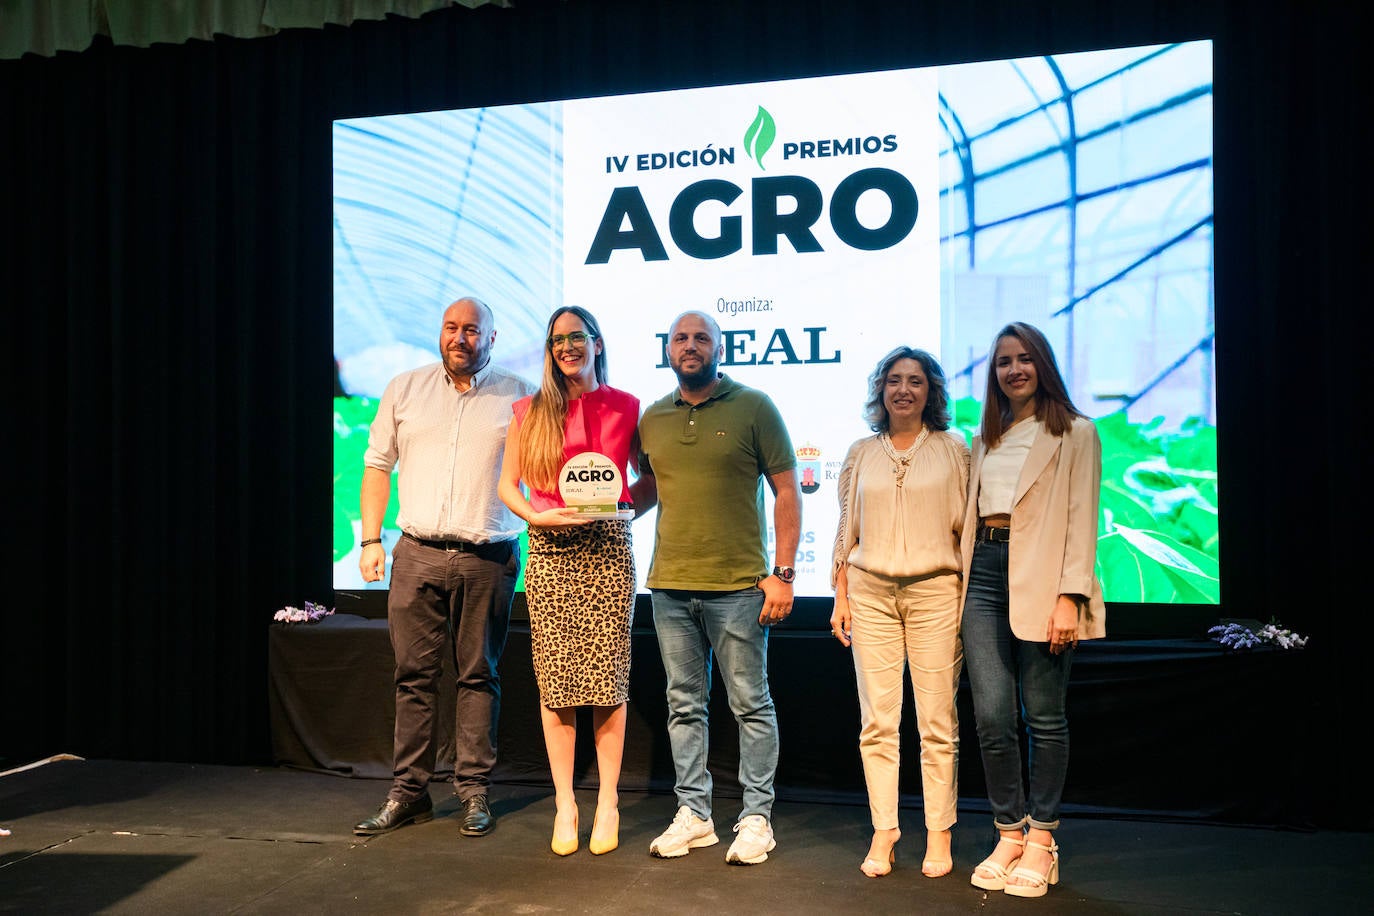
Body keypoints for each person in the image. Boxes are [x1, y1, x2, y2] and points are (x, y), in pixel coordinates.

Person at [352, 296, 536, 839]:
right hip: (417, 553)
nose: (461, 337)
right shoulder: (404, 388)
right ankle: (409, 794)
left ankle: (474, 792)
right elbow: (377, 466)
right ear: (441, 332)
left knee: (479, 675)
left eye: (473, 329)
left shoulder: (521, 396)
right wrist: (369, 539)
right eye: (452, 327)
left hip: (489, 557)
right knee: (413, 677)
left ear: (492, 338)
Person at [633, 310, 800, 866]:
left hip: (740, 588)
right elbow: (648, 487)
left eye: (701, 338)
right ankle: (696, 815)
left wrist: (784, 573)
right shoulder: (653, 417)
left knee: (751, 704)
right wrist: (591, 509)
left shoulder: (755, 406)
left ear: (720, 348)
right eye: (680, 337)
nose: (690, 345)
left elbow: (786, 490)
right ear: (668, 349)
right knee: (684, 706)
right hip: (670, 588)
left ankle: (756, 817)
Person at [960, 321, 1106, 898]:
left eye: (1024, 359)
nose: (1013, 369)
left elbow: (1081, 519)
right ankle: (1008, 831)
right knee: (993, 717)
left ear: (1042, 364)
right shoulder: (986, 437)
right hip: (984, 578)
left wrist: (1070, 597)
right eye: (1003, 362)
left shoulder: (1076, 432)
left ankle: (1043, 839)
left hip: (1044, 579)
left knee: (1043, 716)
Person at [497, 306, 644, 857]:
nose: (566, 347)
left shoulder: (629, 407)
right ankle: (566, 802)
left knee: (608, 682)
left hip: (607, 553)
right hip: (551, 553)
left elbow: (645, 481)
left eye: (576, 337)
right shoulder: (528, 411)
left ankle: (608, 801)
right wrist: (535, 517)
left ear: (597, 344)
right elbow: (508, 486)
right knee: (556, 685)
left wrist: (624, 513)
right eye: (557, 339)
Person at [829, 347, 970, 879]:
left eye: (915, 380)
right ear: (881, 389)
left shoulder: (956, 450)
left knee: (937, 723)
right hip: (870, 595)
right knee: (878, 724)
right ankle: (885, 830)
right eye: (894, 380)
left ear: (931, 390)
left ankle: (939, 832)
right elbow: (847, 529)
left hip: (937, 594)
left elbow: (969, 533)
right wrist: (841, 596)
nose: (903, 389)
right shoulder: (861, 451)